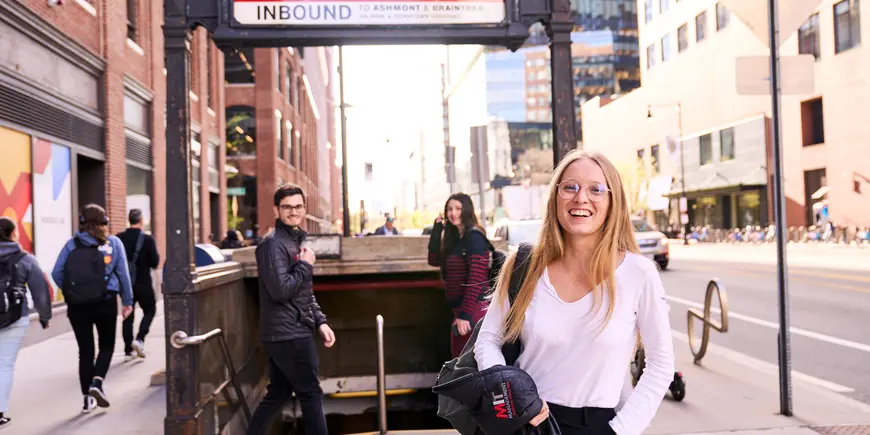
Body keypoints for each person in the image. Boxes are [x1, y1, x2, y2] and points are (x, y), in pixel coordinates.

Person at [475, 150, 675, 435]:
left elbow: (660, 365)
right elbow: (488, 341)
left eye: (596, 189)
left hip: (598, 425)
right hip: (524, 423)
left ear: (612, 201)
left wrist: (620, 430)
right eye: (570, 187)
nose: (581, 198)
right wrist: (511, 393)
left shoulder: (639, 274)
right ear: (555, 196)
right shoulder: (523, 266)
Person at [247, 185, 336, 435]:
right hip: (289, 333)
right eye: (287, 207)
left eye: (298, 206)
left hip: (288, 330)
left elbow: (302, 292)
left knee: (279, 393)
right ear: (277, 209)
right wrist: (306, 265)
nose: (293, 211)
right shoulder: (273, 244)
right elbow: (281, 291)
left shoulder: (294, 240)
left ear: (304, 209)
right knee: (310, 393)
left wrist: (320, 321)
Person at [52, 204, 133, 413]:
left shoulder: (72, 245)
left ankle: (87, 399)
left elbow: (56, 272)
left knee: (85, 350)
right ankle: (97, 382)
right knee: (107, 345)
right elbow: (123, 274)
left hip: (78, 306)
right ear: (105, 221)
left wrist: (71, 291)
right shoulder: (114, 243)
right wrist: (128, 301)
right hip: (105, 302)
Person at [0, 217, 52, 427]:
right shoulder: (25, 259)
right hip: (14, 317)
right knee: (4, 365)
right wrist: (45, 316)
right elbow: (40, 290)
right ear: (14, 234)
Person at [427, 193, 491, 358]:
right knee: (459, 362)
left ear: (467, 210)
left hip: (473, 310)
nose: (453, 213)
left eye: (458, 208)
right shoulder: (456, 238)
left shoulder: (474, 237)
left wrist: (465, 315)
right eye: (449, 209)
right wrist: (437, 230)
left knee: (467, 365)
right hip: (461, 310)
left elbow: (477, 278)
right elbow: (434, 260)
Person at [117, 209, 160, 360]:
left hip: (125, 283)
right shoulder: (147, 240)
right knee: (150, 309)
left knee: (128, 313)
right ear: (141, 221)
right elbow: (155, 262)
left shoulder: (119, 239)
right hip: (143, 283)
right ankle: (140, 338)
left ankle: (128, 348)